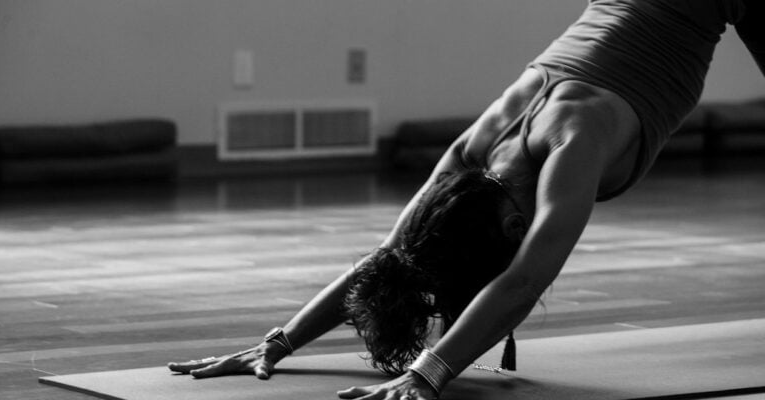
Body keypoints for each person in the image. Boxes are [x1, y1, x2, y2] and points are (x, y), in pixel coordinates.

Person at [169, 1, 764, 399]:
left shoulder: (572, 142)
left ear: (511, 225)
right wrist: (279, 342)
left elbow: (522, 282)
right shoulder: (470, 157)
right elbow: (389, 257)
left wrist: (428, 376)